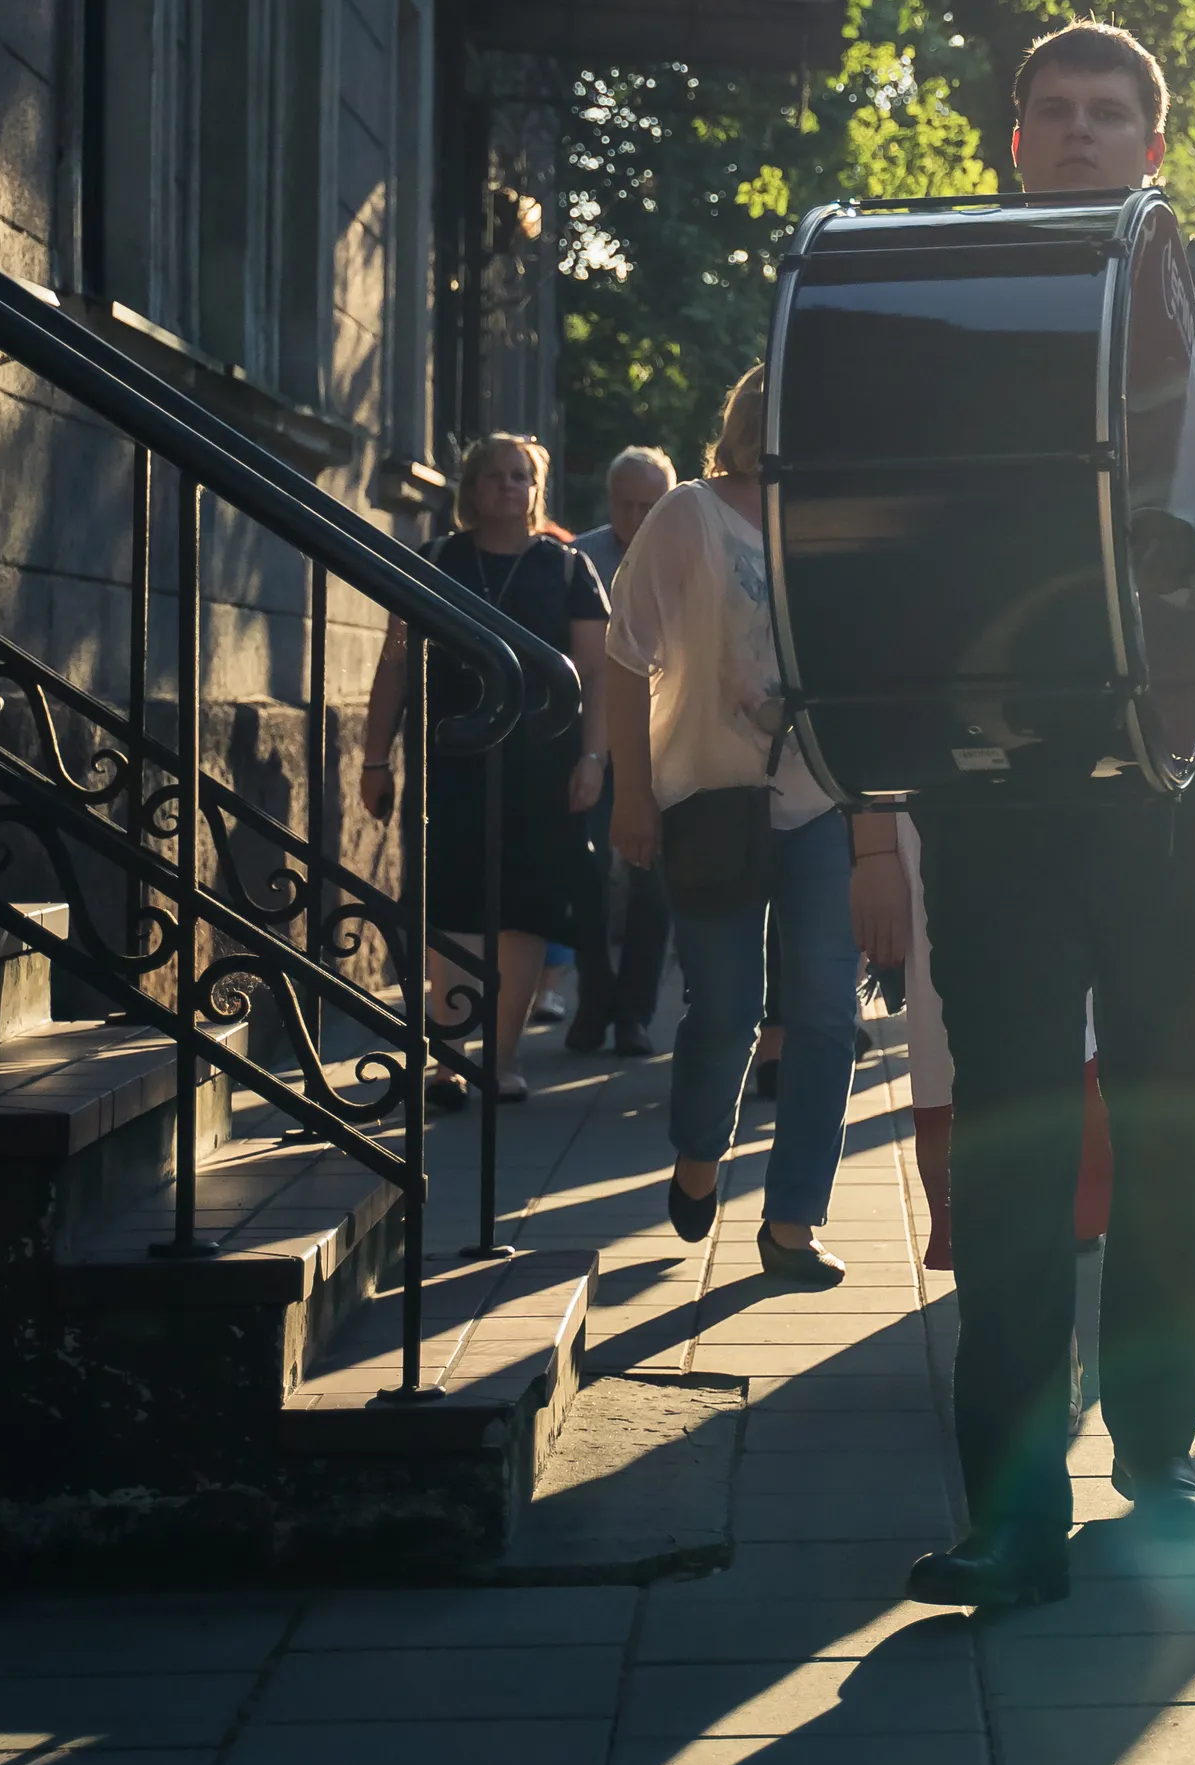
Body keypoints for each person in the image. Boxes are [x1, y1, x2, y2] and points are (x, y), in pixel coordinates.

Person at [901, 22, 1195, 1612]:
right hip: (992, 777)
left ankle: (1159, 1456)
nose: (1081, 132)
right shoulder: (939, 307)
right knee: (1011, 1138)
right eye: (1055, 111)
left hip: (1182, 774)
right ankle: (1010, 1510)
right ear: (1016, 137)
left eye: (1110, 113)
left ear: (1154, 147)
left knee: (1177, 1124)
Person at [600, 370, 899, 1287]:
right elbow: (624, 654)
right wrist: (632, 795)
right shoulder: (689, 514)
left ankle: (791, 1223)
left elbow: (872, 680)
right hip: (708, 797)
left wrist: (878, 834)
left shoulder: (839, 522)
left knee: (824, 1012)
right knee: (726, 1010)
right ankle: (699, 1150)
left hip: (822, 803)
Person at [357, 433, 612, 1106]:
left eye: (520, 475)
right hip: (450, 763)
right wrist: (375, 757)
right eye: (493, 475)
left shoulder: (566, 568)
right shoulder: (434, 560)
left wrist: (593, 758)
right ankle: (450, 1061)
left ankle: (500, 1060)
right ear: (470, 488)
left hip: (542, 767)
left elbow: (597, 674)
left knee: (523, 912)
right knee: (451, 905)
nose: (507, 485)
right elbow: (395, 664)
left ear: (536, 489)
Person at [567, 447, 682, 1057]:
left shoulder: (687, 558)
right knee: (583, 879)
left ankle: (634, 1014)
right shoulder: (577, 560)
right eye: (627, 505)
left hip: (661, 745)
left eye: (650, 505)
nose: (637, 517)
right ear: (609, 501)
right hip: (591, 746)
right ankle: (594, 1000)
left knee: (651, 886)